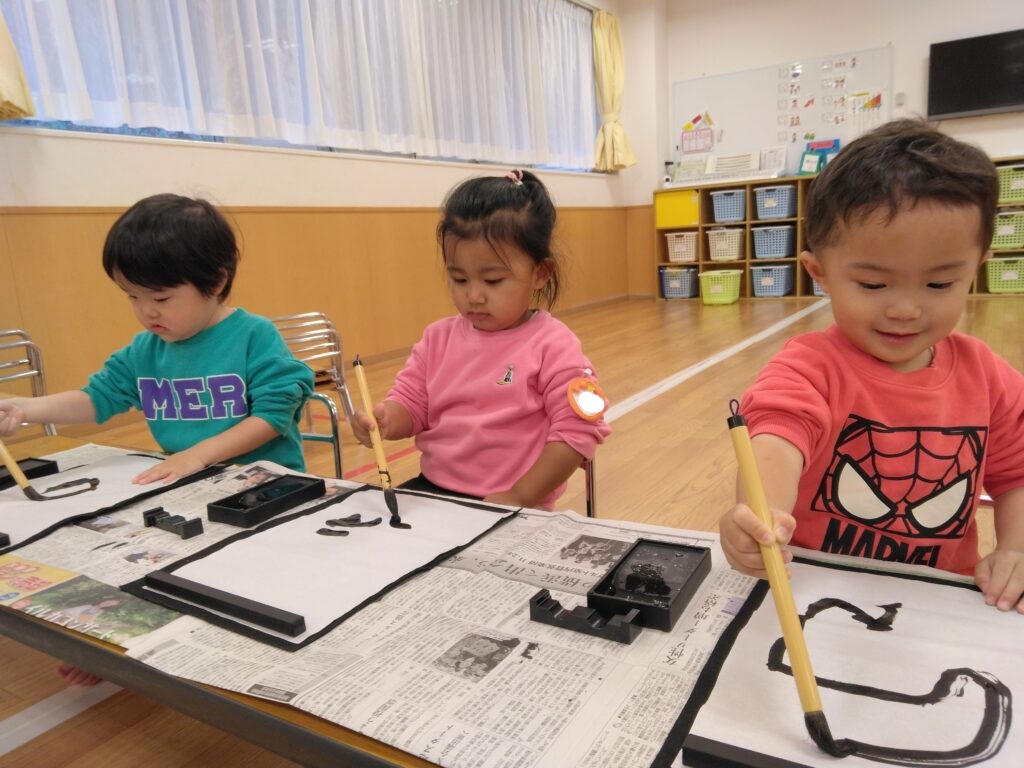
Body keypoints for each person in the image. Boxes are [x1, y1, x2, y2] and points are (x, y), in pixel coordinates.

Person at [719, 119, 1024, 613]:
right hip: (814, 591)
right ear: (820, 273)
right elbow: (777, 437)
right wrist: (763, 513)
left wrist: (1015, 549)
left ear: (977, 267)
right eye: (874, 285)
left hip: (937, 601)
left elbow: (1017, 475)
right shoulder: (808, 367)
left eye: (940, 284)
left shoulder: (989, 379)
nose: (905, 309)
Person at [0, 194, 314, 485]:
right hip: (189, 480)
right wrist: (23, 408)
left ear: (217, 282)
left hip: (266, 483)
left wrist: (197, 455)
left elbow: (272, 417)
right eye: (132, 296)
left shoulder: (254, 336)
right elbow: (96, 398)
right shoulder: (144, 350)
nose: (146, 311)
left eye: (161, 298)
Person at [351, 169, 610, 510]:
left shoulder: (553, 346)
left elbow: (577, 433)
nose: (474, 296)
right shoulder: (437, 339)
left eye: (493, 281)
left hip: (513, 502)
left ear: (540, 274)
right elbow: (412, 405)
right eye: (459, 279)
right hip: (435, 490)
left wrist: (520, 496)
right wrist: (385, 419)